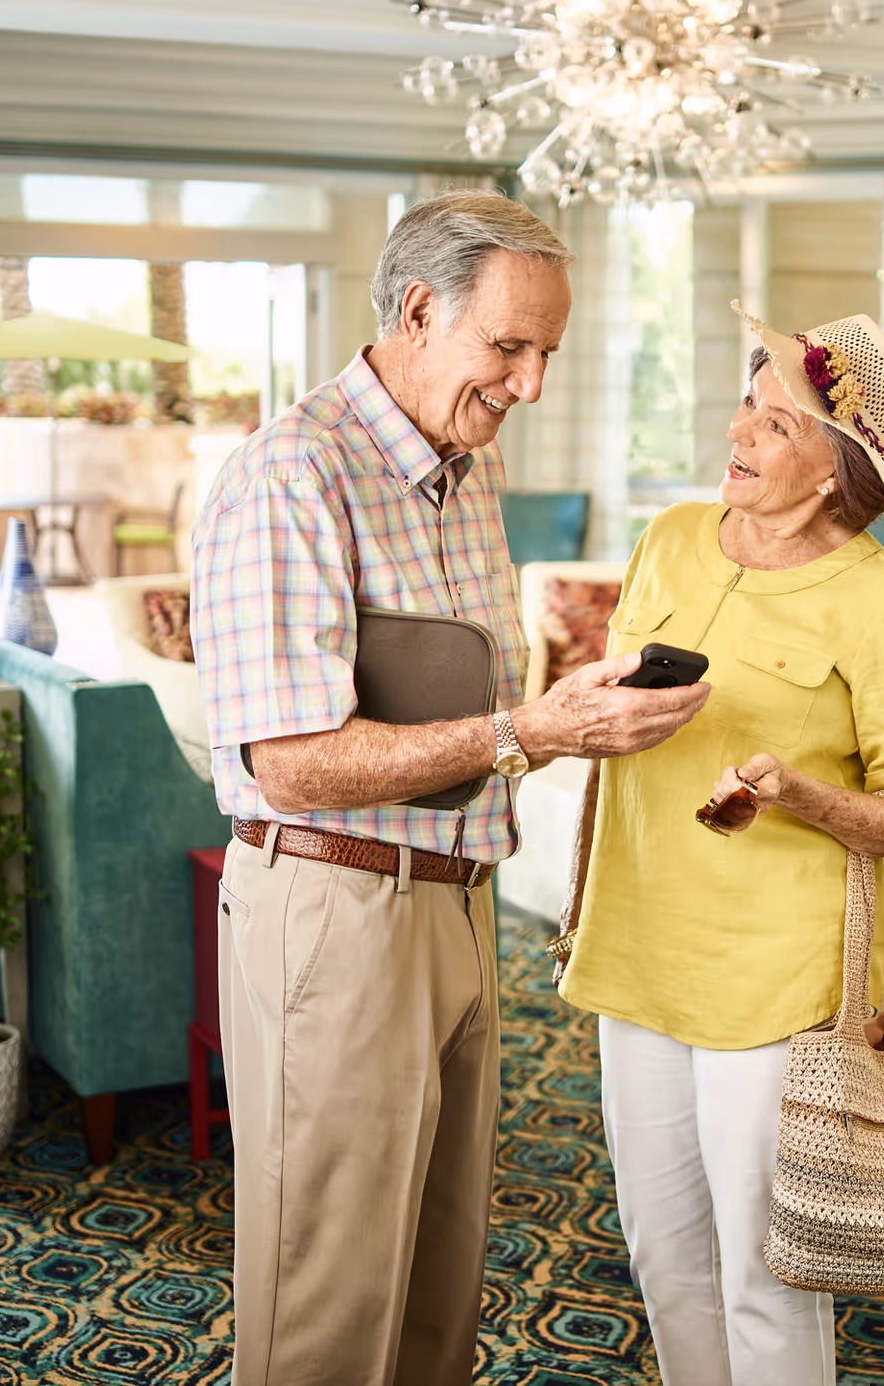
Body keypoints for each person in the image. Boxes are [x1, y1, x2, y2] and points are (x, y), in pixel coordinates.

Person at [190, 191, 711, 1386]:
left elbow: (456, 705)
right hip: (335, 909)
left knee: (438, 1285)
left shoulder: (464, 469)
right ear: (420, 311)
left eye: (548, 354)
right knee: (328, 1296)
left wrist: (564, 711)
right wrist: (531, 727)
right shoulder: (292, 473)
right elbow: (287, 759)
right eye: (509, 347)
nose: (530, 383)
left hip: (455, 901)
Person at [551, 306, 884, 1386]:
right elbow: (612, 738)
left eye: (779, 424)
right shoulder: (671, 535)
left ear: (836, 473)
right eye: (747, 403)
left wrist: (802, 795)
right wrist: (583, 883)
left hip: (775, 972)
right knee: (662, 1250)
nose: (741, 430)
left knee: (766, 1275)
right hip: (638, 946)